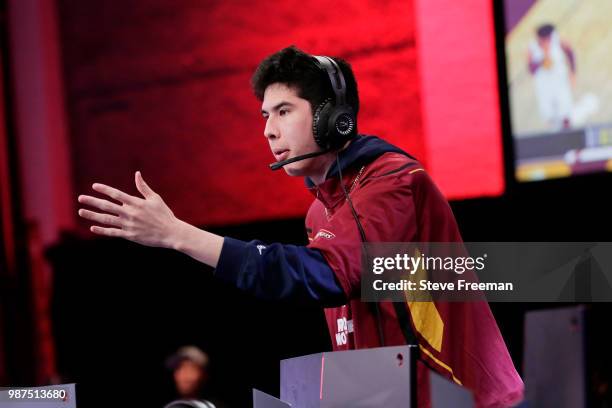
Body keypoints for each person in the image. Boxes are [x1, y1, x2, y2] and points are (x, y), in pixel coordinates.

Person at [77, 46, 523, 407]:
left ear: (335, 118)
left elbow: (324, 276)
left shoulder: (392, 181)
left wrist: (179, 234)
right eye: (265, 116)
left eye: (284, 111)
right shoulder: (320, 212)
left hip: (465, 400)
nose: (268, 131)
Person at [528, 23, 576, 130]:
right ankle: (555, 141)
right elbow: (531, 69)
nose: (547, 41)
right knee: (550, 117)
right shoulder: (532, 48)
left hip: (560, 82)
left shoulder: (558, 42)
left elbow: (571, 54)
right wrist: (542, 59)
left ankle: (570, 139)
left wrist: (572, 73)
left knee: (565, 114)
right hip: (544, 86)